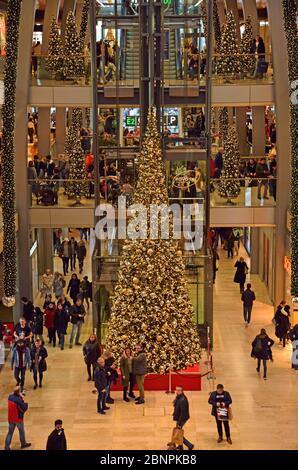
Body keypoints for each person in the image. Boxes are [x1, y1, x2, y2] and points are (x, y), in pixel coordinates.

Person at [173, 386, 194, 450]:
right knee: (178, 432)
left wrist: (179, 423)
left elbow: (183, 413)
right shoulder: (179, 397)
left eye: (179, 390)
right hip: (179, 417)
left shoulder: (182, 400)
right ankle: (180, 446)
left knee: (178, 433)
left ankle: (190, 445)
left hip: (181, 419)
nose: (177, 391)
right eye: (176, 390)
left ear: (182, 391)